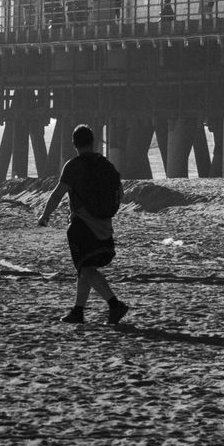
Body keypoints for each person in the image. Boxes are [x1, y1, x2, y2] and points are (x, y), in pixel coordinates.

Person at [38, 124, 129, 326]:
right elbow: (120, 194)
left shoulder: (73, 166)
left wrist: (45, 215)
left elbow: (57, 195)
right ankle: (78, 311)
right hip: (104, 226)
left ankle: (114, 304)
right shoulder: (106, 165)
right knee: (85, 268)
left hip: (82, 226)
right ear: (93, 142)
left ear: (74, 144)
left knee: (86, 268)